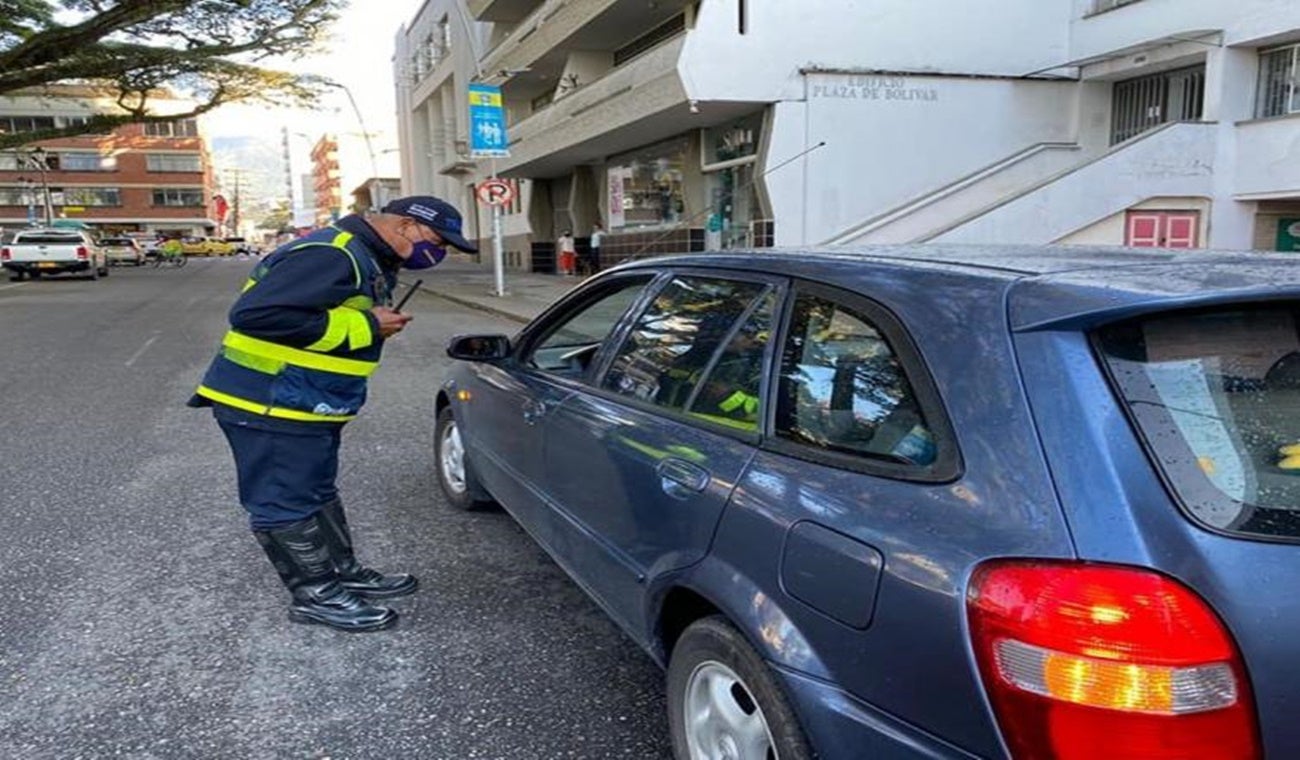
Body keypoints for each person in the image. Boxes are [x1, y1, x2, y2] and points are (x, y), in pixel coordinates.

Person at [189, 196, 478, 632]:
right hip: (270, 401)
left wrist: (368, 327)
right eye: (438, 242)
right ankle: (315, 594)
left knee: (316, 490)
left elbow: (319, 319)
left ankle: (342, 573)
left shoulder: (365, 256)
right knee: (284, 499)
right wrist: (367, 327)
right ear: (405, 226)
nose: (438, 254)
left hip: (306, 400)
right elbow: (257, 316)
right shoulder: (333, 252)